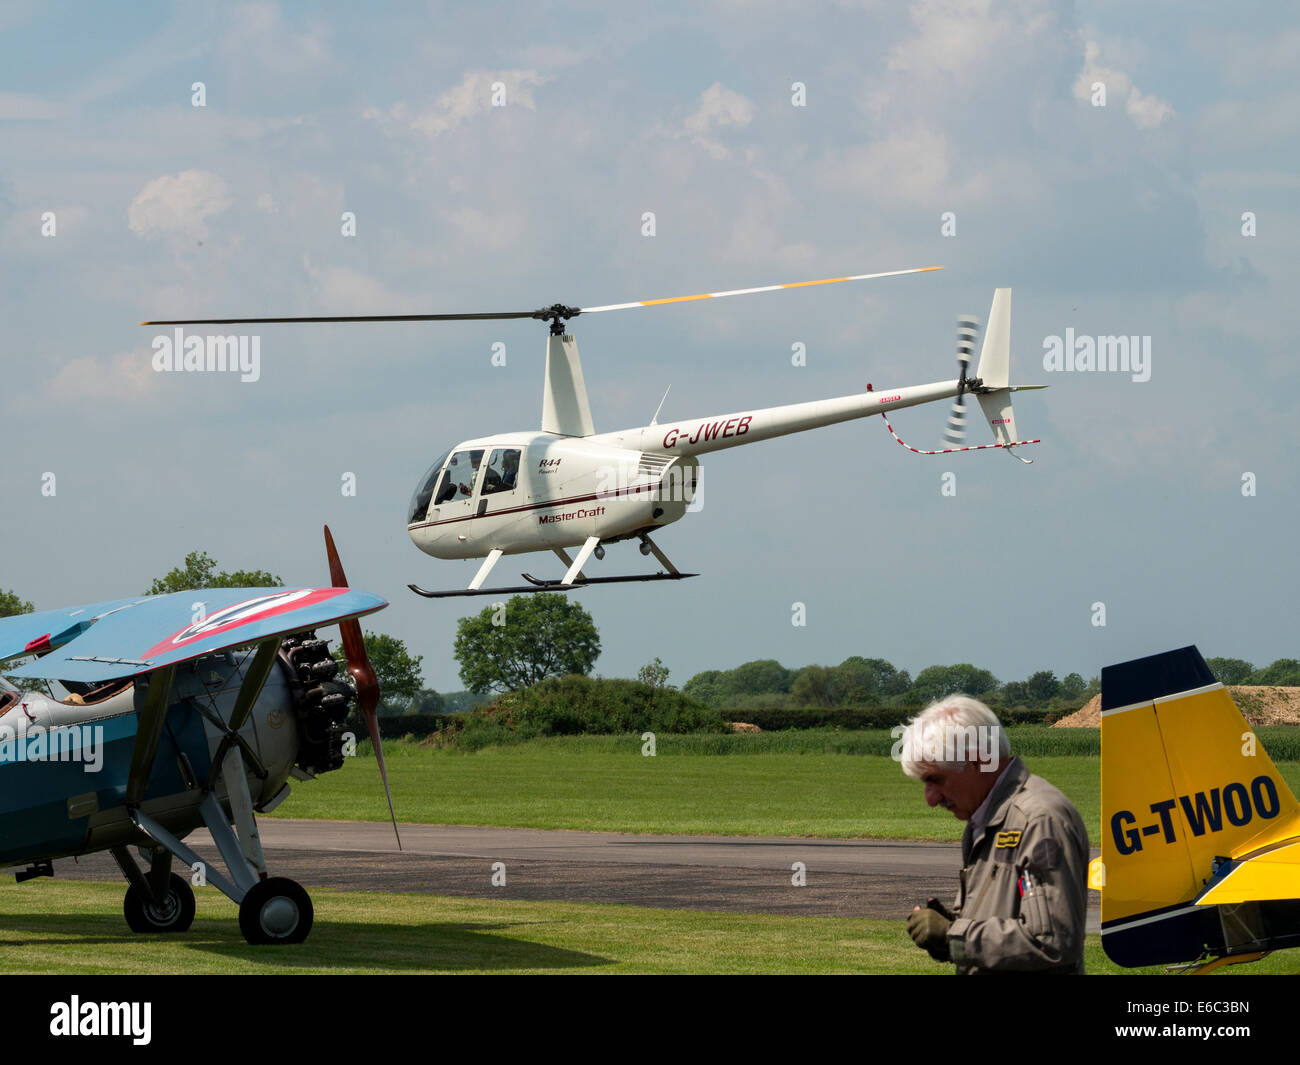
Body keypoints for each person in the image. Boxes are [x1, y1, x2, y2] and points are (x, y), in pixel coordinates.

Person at [897, 694, 1089, 974]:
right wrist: (953, 928)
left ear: (977, 760)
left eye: (935, 779)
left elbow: (1053, 943)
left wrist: (955, 935)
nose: (930, 798)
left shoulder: (1039, 819)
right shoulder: (986, 821)